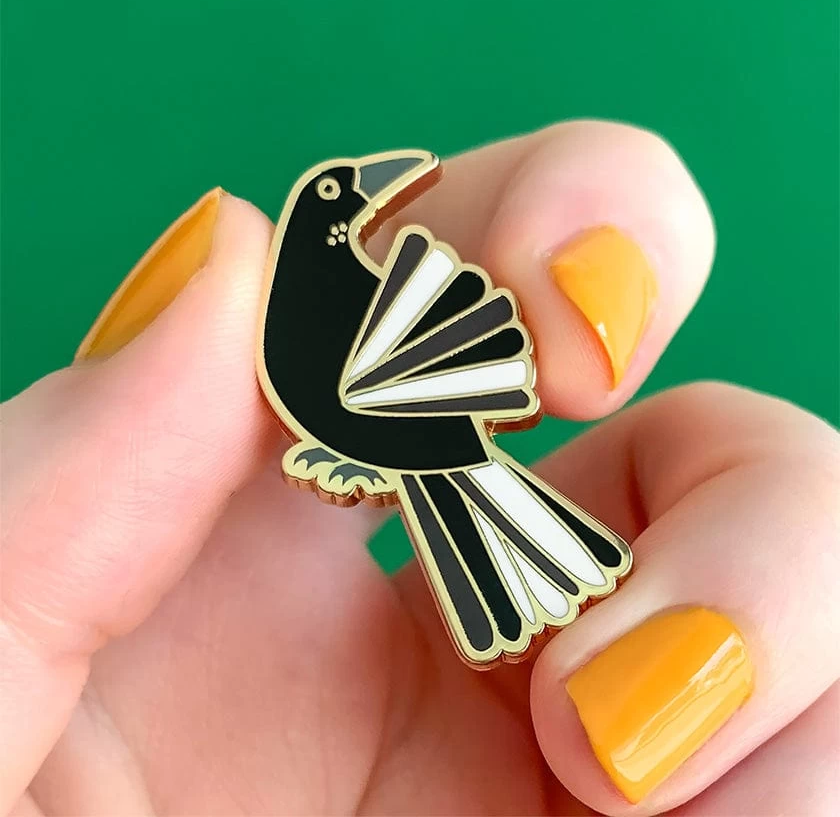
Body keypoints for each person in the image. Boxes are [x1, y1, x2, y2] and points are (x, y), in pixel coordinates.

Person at [3, 121, 838, 816]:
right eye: (346, 192)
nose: (366, 192)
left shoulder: (338, 302)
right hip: (418, 454)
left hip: (434, 450)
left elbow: (357, 397)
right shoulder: (305, 305)